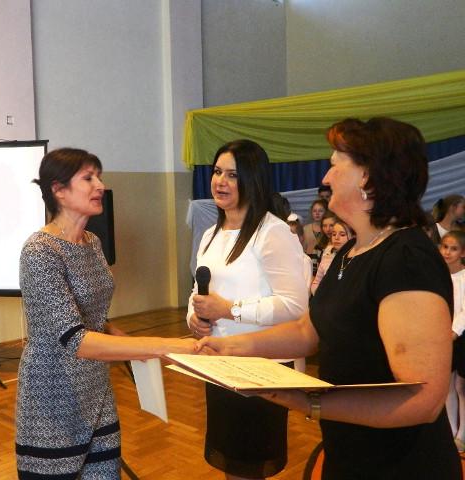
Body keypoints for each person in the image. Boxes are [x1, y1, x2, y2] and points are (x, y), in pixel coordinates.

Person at [197, 118, 462, 479]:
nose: (325, 178)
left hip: (400, 464)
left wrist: (307, 399)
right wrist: (229, 348)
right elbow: (308, 330)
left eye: (335, 164)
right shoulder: (352, 250)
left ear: (367, 177)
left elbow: (422, 400)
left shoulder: (406, 259)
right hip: (349, 450)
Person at [16, 147, 195, 480]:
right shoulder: (40, 251)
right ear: (59, 190)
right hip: (54, 395)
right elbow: (76, 339)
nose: (100, 185)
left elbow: (95, 318)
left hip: (95, 388)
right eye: (88, 178)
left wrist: (139, 348)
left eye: (99, 176)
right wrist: (163, 346)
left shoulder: (93, 242)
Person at [186, 139, 308, 480]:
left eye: (233, 175)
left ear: (253, 180)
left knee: (250, 466)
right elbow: (198, 291)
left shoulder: (273, 232)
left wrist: (230, 310)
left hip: (261, 365)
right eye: (217, 172)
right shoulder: (210, 234)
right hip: (219, 362)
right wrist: (193, 319)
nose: (220, 181)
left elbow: (294, 305)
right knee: (230, 463)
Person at [441, 231, 465, 450]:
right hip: (443, 336)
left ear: (463, 253)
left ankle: (462, 433)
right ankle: (450, 430)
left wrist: (454, 331)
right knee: (447, 385)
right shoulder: (438, 276)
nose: (447, 252)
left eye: (453, 248)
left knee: (461, 386)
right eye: (445, 247)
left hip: (461, 337)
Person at [310, 219, 354, 296]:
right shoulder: (327, 257)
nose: (336, 238)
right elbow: (316, 282)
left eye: (342, 235)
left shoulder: (358, 258)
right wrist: (319, 294)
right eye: (333, 234)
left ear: (353, 237)